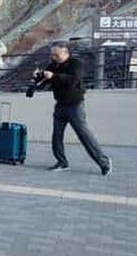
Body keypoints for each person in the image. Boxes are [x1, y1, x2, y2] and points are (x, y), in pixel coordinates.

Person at [39, 42, 112, 175]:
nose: (54, 57)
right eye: (52, 55)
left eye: (56, 55)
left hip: (75, 105)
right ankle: (62, 162)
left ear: (66, 53)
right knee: (56, 136)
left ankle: (104, 162)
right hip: (60, 105)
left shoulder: (76, 64)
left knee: (84, 135)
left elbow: (73, 80)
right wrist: (38, 77)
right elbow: (47, 79)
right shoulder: (53, 65)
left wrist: (54, 76)